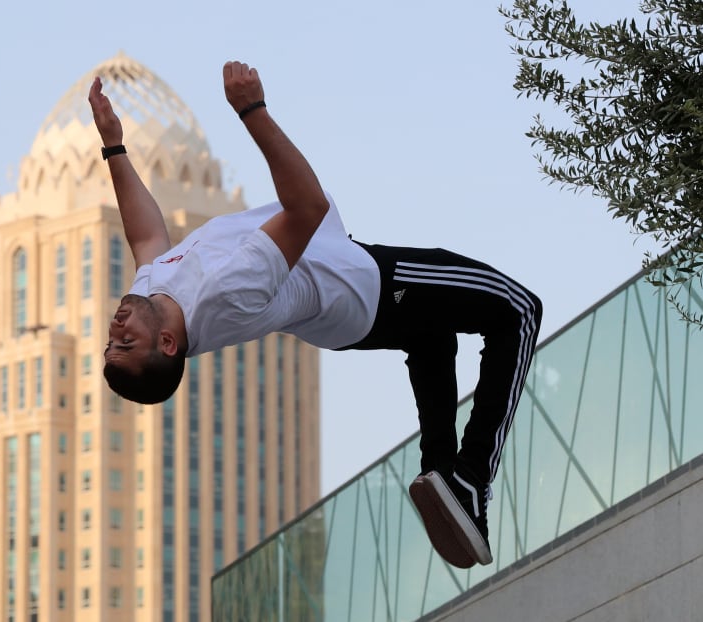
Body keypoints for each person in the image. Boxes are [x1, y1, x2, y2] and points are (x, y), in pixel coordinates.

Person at [88, 61, 542, 568]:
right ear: (168, 344)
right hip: (367, 287)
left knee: (432, 334)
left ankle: (442, 476)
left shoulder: (151, 296)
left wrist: (113, 146)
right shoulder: (226, 292)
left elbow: (147, 236)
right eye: (126, 342)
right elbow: (307, 207)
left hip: (344, 310)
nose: (116, 328)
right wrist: (253, 110)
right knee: (518, 309)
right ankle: (472, 479)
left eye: (112, 340)